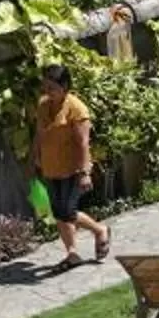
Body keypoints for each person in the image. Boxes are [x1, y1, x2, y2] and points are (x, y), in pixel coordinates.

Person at [32, 63, 109, 269]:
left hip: (72, 168)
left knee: (67, 211)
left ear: (64, 86)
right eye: (45, 88)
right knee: (58, 212)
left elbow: (83, 143)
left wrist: (85, 173)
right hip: (50, 167)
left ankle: (99, 230)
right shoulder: (43, 105)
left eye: (52, 88)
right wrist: (35, 157)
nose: (47, 92)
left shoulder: (76, 109)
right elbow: (39, 134)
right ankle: (72, 254)